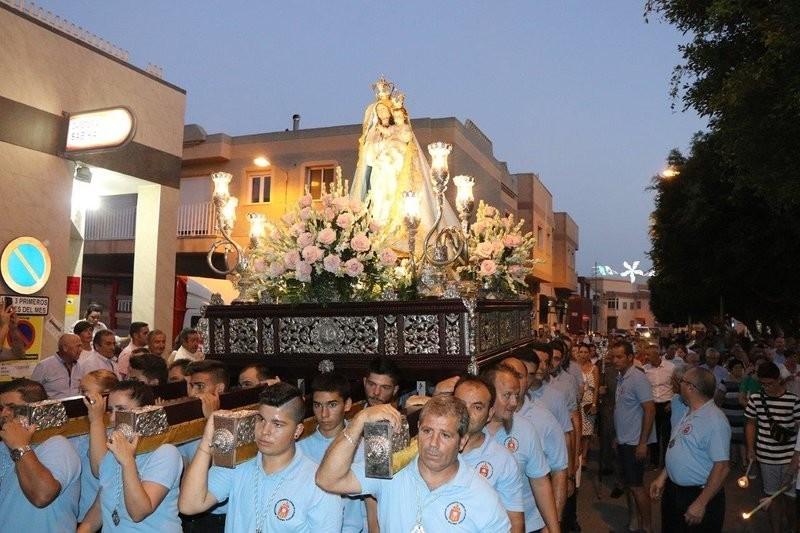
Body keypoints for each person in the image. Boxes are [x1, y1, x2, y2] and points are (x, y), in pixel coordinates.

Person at [316, 394, 511, 532]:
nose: (433, 444)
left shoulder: (482, 496)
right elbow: (327, 480)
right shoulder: (390, 468)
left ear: (462, 441)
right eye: (427, 431)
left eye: (445, 435)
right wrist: (358, 422)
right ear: (417, 430)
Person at [180, 382, 342, 532]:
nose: (265, 431)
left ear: (298, 431)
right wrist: (207, 442)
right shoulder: (237, 464)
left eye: (277, 424)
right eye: (261, 420)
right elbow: (189, 506)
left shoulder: (319, 482)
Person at [79, 380, 183, 532]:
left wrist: (127, 461)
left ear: (145, 411)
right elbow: (101, 504)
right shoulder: (115, 445)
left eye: (121, 410)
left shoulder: (165, 452)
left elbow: (138, 512)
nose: (113, 418)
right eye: (110, 410)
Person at [650, 367, 730, 532]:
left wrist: (701, 503)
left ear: (691, 388)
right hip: (674, 491)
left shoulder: (715, 420)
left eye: (682, 381)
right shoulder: (688, 411)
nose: (678, 384)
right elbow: (680, 449)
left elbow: (722, 467)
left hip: (697, 494)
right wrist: (663, 477)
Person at [482, 365, 560, 533]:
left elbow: (540, 482)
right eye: (507, 395)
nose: (513, 403)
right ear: (488, 394)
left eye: (516, 396)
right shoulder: (471, 431)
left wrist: (554, 529)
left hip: (526, 525)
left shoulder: (526, 429)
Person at [0, 379, 81, 532]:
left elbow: (42, 496)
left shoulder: (56, 444)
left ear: (36, 409)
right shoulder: (4, 446)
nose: (4, 414)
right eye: (1, 408)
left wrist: (20, 447)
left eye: (12, 408)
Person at [453, 374, 526, 532]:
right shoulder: (434, 450)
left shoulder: (503, 460)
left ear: (490, 413)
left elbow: (515, 522)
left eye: (477, 407)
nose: (466, 412)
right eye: (460, 404)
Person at [504, 356, 569, 522]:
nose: (512, 382)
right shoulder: (486, 419)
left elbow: (559, 470)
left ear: (528, 380)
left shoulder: (544, 419)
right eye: (506, 375)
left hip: (531, 521)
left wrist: (553, 523)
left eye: (519, 376)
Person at [298, 372, 364, 533]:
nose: (324, 414)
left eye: (332, 405)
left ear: (347, 405)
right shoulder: (300, 448)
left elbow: (370, 503)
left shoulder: (363, 447)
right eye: (317, 405)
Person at [744, 361, 800, 533]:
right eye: (762, 384)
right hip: (766, 457)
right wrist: (750, 448)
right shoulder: (755, 399)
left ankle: (793, 528)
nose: (766, 387)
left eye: (770, 383)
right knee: (771, 498)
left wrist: (796, 459)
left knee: (791, 499)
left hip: (789, 458)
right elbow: (751, 423)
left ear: (779, 380)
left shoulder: (793, 400)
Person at [612, 341, 656, 533]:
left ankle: (647, 527)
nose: (615, 360)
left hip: (634, 443)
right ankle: (633, 523)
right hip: (624, 440)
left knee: (637, 487)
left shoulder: (638, 378)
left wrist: (643, 443)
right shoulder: (622, 378)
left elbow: (649, 410)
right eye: (613, 356)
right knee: (630, 486)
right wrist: (617, 436)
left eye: (619, 356)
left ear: (630, 357)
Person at [70, 369, 119, 522]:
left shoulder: (113, 430)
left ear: (106, 396)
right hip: (79, 511)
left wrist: (96, 421)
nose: (80, 397)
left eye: (85, 392)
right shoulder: (79, 424)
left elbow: (101, 469)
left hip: (99, 513)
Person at [643, 344, 675, 468]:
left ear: (657, 355)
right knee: (653, 435)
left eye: (649, 354)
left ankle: (667, 462)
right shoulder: (645, 369)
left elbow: (676, 386)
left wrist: (672, 402)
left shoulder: (670, 367)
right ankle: (654, 461)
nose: (646, 357)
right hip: (652, 406)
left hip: (667, 405)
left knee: (667, 435)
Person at [30, 333, 83, 399]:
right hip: (52, 408)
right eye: (78, 346)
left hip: (75, 408)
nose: (81, 350)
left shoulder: (79, 366)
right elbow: (31, 393)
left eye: (81, 346)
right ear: (65, 348)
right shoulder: (44, 366)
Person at [576, 343, 599, 467]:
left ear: (589, 354)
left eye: (586, 352)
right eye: (581, 352)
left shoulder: (594, 368)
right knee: (577, 429)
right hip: (576, 402)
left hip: (589, 401)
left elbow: (596, 388)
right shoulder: (574, 368)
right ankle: (577, 454)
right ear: (578, 353)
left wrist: (594, 404)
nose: (583, 354)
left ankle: (584, 456)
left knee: (587, 431)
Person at [721, 359, 747, 467]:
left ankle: (744, 462)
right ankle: (733, 460)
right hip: (728, 415)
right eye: (736, 368)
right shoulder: (725, 382)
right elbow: (719, 398)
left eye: (741, 368)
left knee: (742, 439)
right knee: (730, 439)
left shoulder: (746, 382)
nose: (739, 370)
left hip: (742, 415)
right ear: (730, 370)